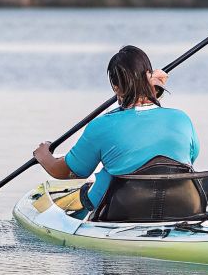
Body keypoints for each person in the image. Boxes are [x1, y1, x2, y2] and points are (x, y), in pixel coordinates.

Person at [33, 45, 199, 218]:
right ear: (150, 78)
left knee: (100, 181)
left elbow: (69, 172)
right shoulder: (182, 119)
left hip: (121, 213)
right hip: (181, 208)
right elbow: (187, 158)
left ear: (115, 86)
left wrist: (44, 155)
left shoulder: (101, 126)